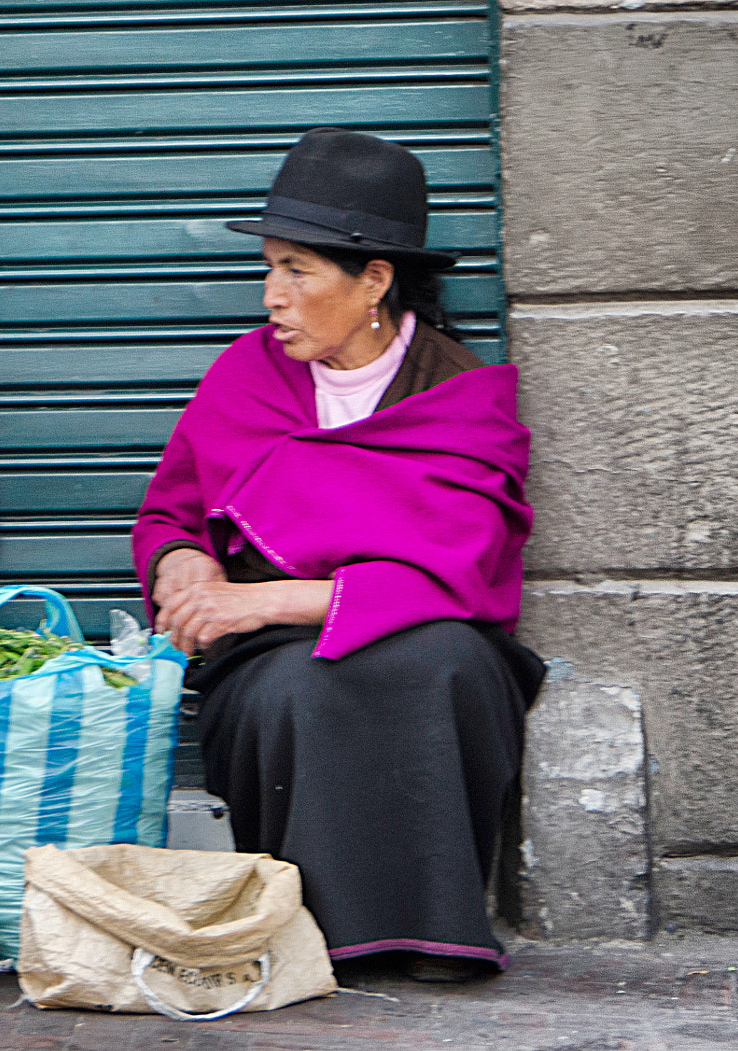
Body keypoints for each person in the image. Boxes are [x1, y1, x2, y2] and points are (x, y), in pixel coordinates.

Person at [132, 127, 542, 982]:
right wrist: (186, 566)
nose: (272, 294)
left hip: (423, 627)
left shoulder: (459, 394)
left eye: (297, 270)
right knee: (298, 686)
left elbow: (454, 574)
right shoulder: (246, 377)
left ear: (375, 282)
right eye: (270, 267)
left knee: (443, 665)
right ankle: (313, 934)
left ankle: (435, 933)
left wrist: (265, 598)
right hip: (268, 651)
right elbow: (171, 513)